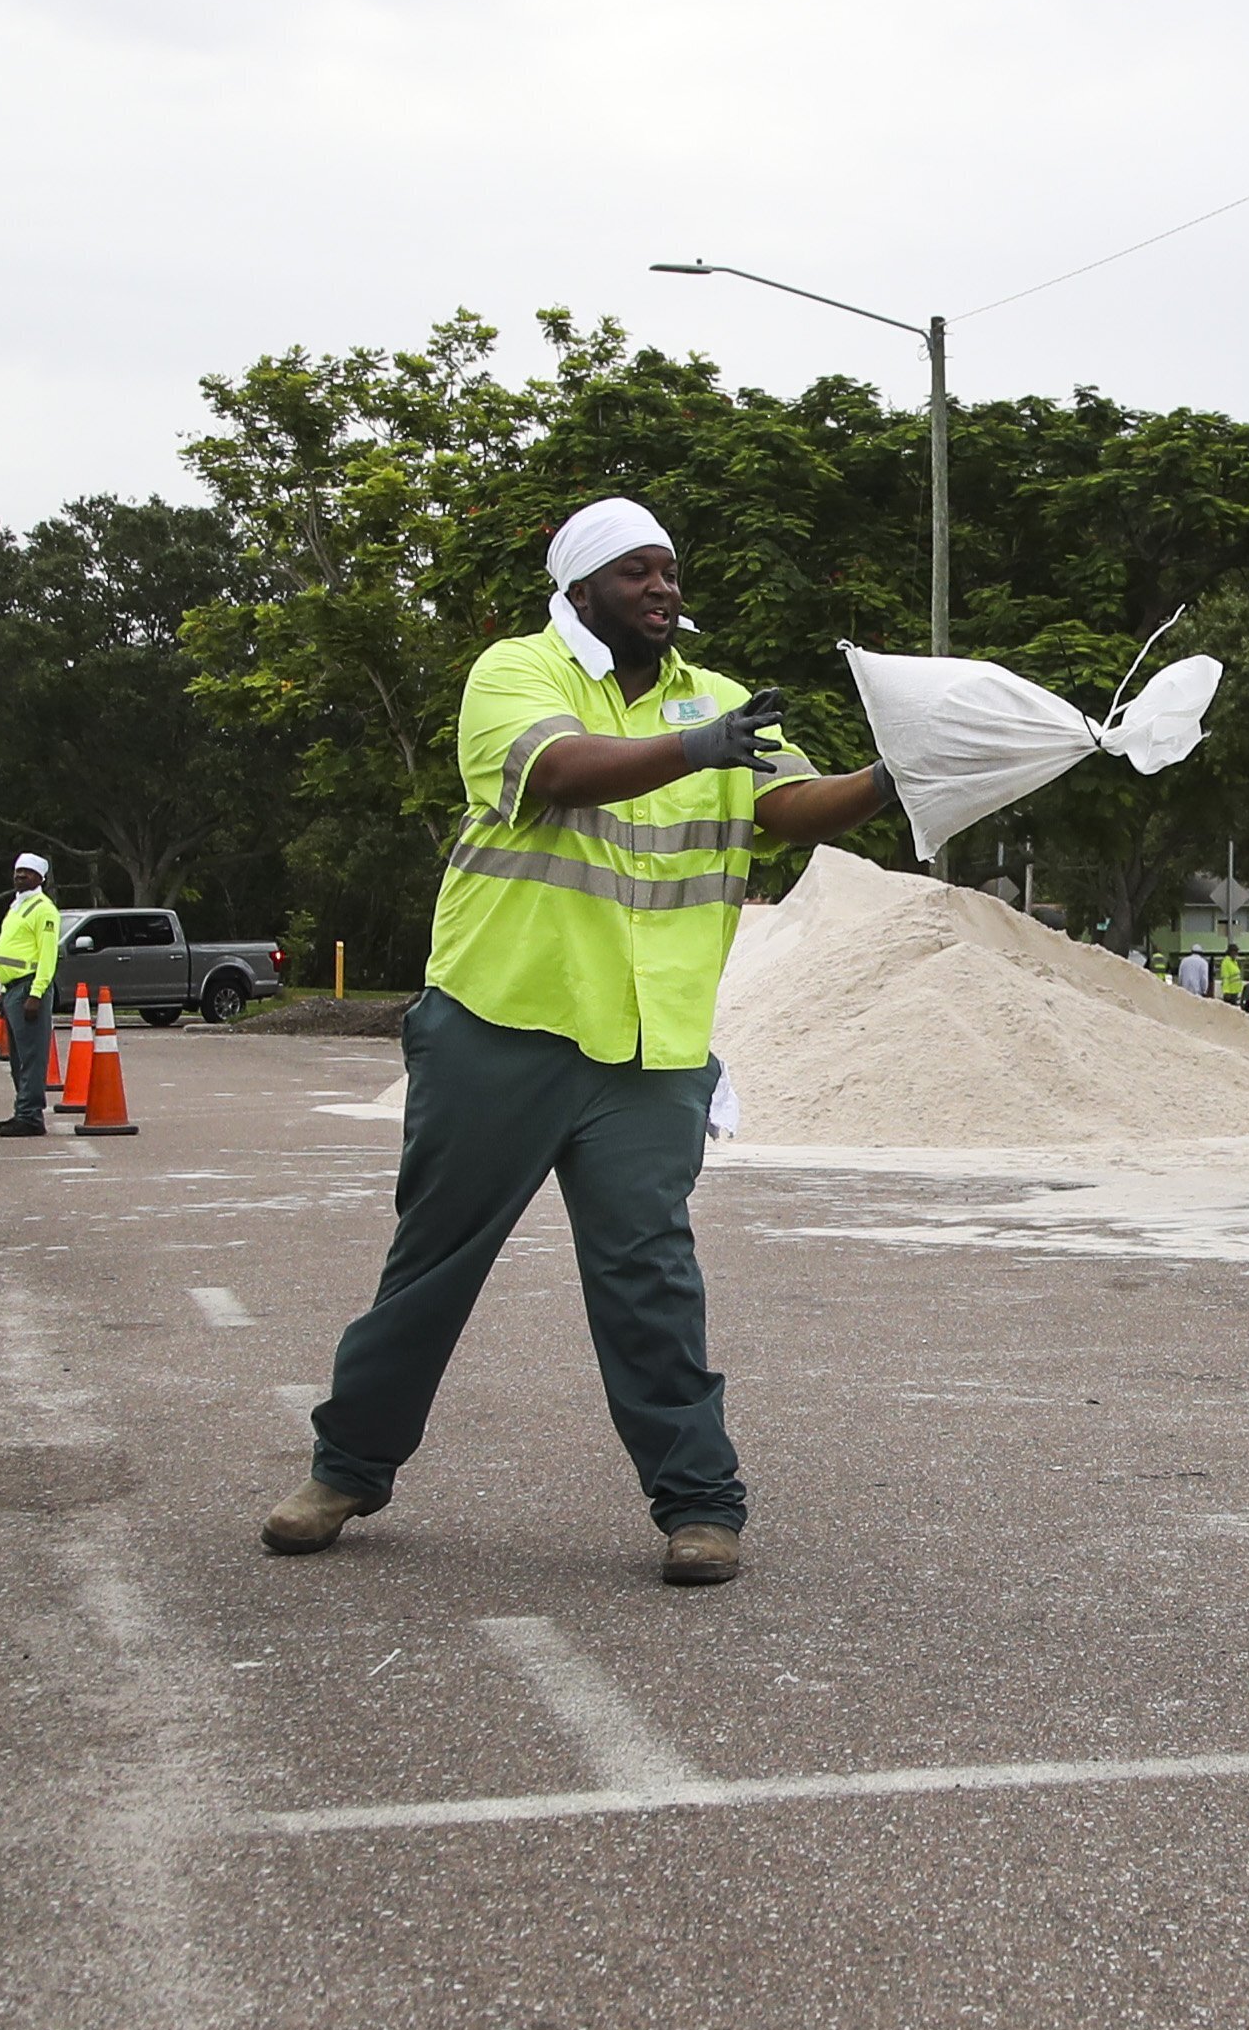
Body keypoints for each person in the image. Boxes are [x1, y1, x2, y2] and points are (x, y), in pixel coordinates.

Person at [264, 496, 900, 1585]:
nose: (662, 589)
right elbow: (555, 772)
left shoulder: (724, 698)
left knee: (650, 1273)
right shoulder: (516, 673)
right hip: (501, 1025)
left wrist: (895, 779)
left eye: (668, 572)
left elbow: (790, 805)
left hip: (650, 1047)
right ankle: (346, 1469)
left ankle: (701, 1506)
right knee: (435, 1261)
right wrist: (694, 748)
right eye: (636, 572)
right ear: (581, 589)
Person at [0, 855, 64, 1137]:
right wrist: (4, 996)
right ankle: (24, 1111)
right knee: (18, 1057)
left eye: (28, 873)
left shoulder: (43, 909)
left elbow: (47, 955)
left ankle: (30, 1116)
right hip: (14, 989)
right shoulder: (18, 906)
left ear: (41, 878)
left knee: (31, 1057)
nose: (20, 876)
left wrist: (37, 993)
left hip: (29, 987)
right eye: (18, 871)